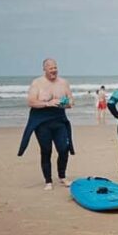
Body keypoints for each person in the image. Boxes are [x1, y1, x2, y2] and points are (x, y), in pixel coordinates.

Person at [18, 57, 75, 190]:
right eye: (51, 68)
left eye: (55, 67)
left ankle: (62, 176)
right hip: (42, 122)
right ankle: (48, 181)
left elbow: (71, 101)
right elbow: (31, 102)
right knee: (46, 150)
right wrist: (48, 103)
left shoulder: (63, 82)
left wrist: (65, 104)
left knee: (64, 149)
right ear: (44, 69)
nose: (54, 70)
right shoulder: (37, 83)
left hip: (59, 120)